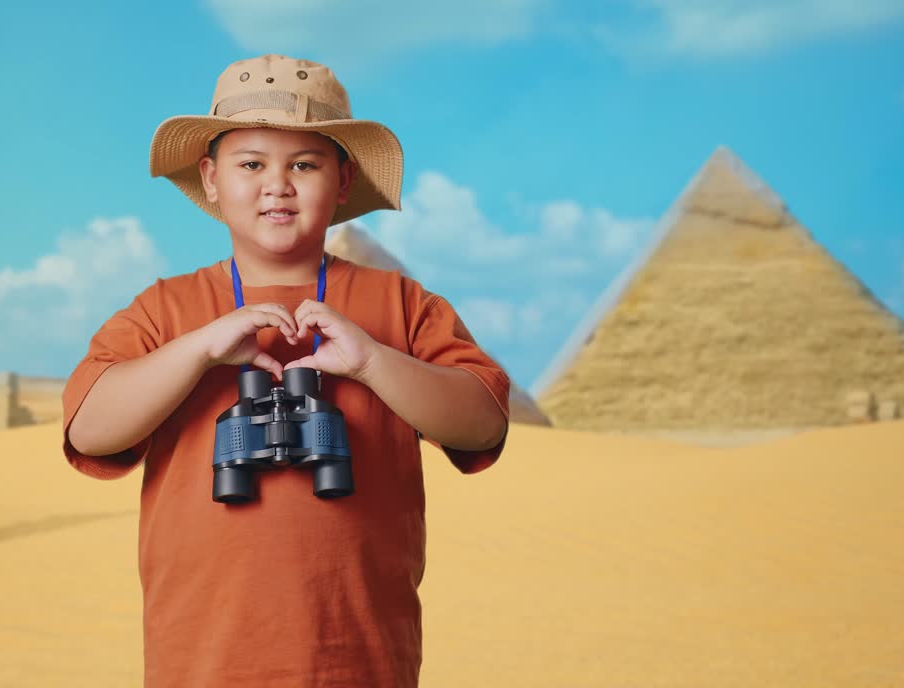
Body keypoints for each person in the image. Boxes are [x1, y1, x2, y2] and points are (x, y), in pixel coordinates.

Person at [61, 54, 546, 687]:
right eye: (251, 164)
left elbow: (483, 423)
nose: (277, 185)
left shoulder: (402, 305)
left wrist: (373, 361)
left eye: (305, 165)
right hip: (200, 658)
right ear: (210, 179)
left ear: (344, 181)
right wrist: (199, 350)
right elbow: (90, 431)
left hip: (358, 656)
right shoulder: (165, 310)